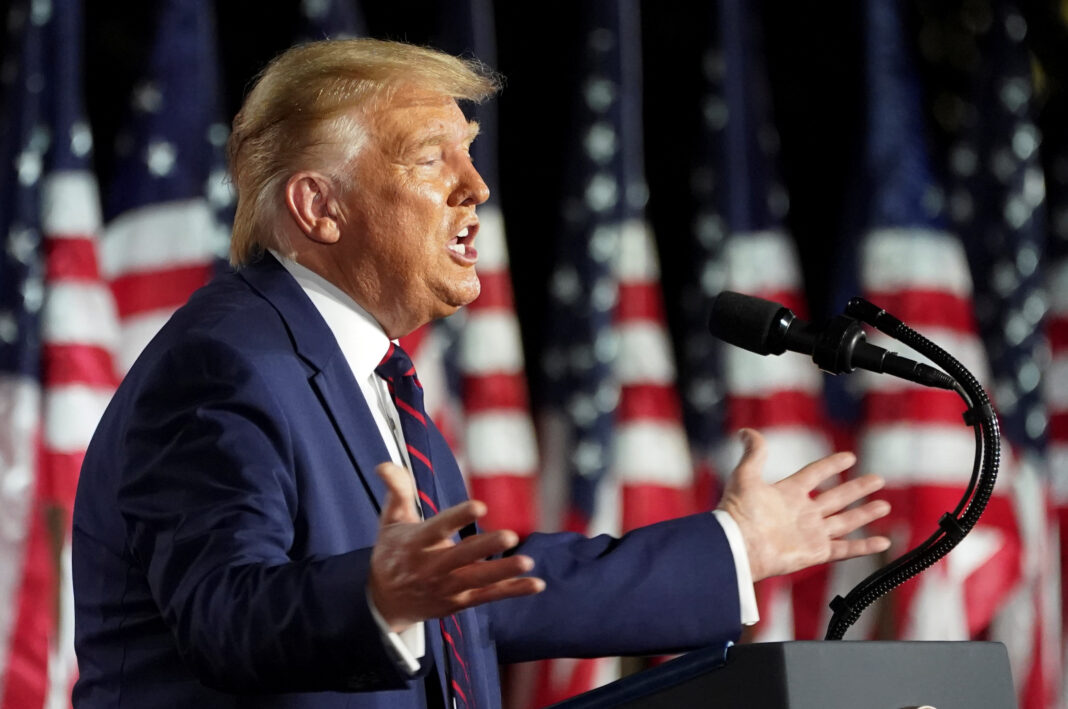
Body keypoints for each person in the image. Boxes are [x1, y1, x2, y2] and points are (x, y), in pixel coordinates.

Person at [71, 38, 890, 709]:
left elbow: (472, 591)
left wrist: (733, 546)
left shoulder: (361, 373)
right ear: (319, 207)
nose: (478, 188)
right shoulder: (226, 365)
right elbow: (227, 614)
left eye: (469, 154)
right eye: (433, 160)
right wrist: (378, 595)